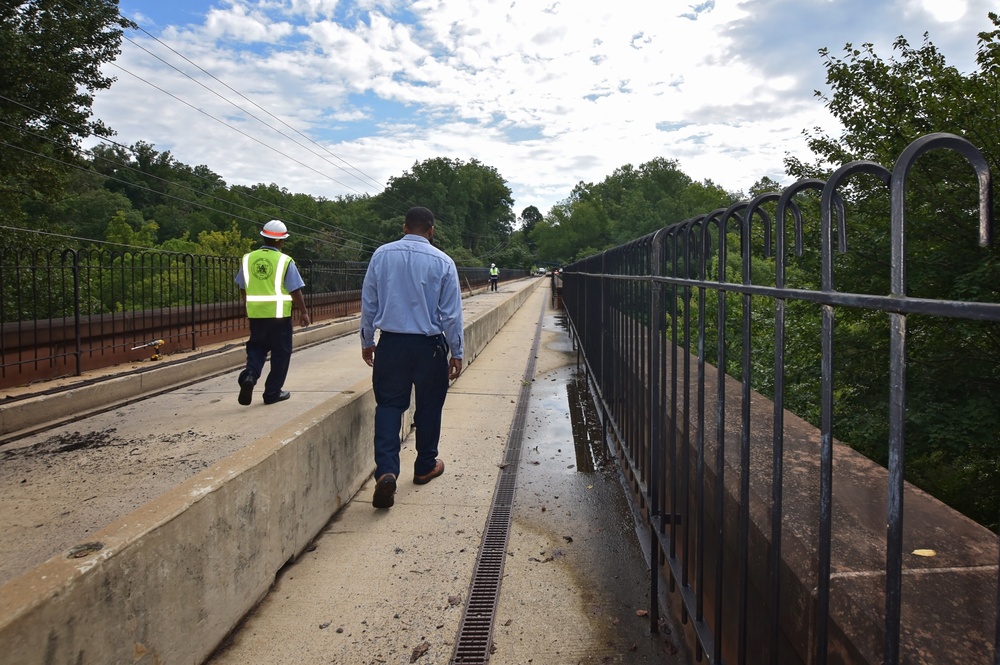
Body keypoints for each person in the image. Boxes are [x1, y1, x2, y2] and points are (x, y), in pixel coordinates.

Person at [360, 207, 464, 509]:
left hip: (391, 344)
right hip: (429, 346)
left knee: (389, 405)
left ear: (404, 227)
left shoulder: (381, 255)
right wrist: (456, 352)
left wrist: (367, 340)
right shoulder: (443, 262)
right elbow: (452, 315)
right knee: (430, 405)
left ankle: (387, 470)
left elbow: (369, 302)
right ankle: (425, 466)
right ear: (431, 231)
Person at [235, 219, 311, 406]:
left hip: (256, 316)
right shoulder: (285, 261)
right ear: (281, 241)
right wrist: (303, 312)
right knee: (281, 354)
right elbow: (295, 290)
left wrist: (249, 306)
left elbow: (242, 287)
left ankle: (250, 376)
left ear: (263, 237)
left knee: (257, 348)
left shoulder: (248, 259)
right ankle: (272, 393)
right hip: (279, 317)